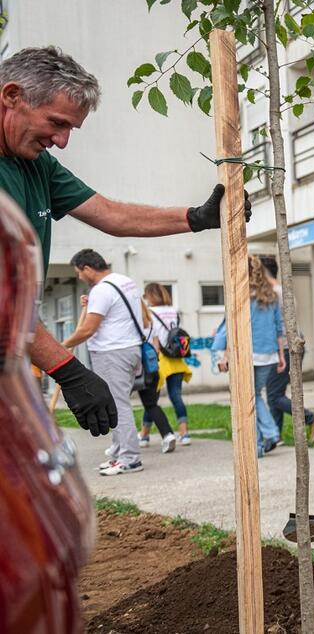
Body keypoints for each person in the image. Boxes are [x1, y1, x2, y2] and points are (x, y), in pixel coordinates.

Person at [0, 46, 250, 439]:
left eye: (70, 129)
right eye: (56, 123)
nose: (62, 141)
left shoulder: (35, 163)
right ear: (12, 96)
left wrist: (195, 218)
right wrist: (67, 369)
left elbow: (110, 214)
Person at [61, 249, 147, 475]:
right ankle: (119, 453)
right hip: (129, 349)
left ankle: (130, 458)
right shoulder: (125, 282)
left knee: (118, 405)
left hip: (112, 353)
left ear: (87, 269)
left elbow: (88, 329)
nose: (79, 277)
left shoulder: (102, 290)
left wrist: (61, 347)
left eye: (79, 272)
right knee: (117, 402)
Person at [214, 257, 285, 457]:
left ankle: (265, 438)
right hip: (269, 355)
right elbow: (278, 327)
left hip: (247, 354)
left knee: (249, 399)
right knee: (255, 396)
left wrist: (225, 355)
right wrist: (281, 355)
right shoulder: (270, 295)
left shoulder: (240, 296)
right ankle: (262, 441)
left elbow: (232, 329)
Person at [259, 256, 314, 444]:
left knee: (274, 394)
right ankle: (274, 436)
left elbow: (273, 326)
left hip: (284, 349)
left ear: (263, 272)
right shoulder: (283, 291)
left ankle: (312, 419)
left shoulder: (272, 293)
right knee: (274, 393)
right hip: (292, 345)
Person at [140, 283, 192, 447]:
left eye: (146, 296)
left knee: (151, 400)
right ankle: (184, 434)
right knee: (176, 396)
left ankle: (144, 435)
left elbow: (149, 335)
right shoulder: (174, 310)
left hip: (160, 359)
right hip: (176, 359)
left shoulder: (150, 312)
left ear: (151, 296)